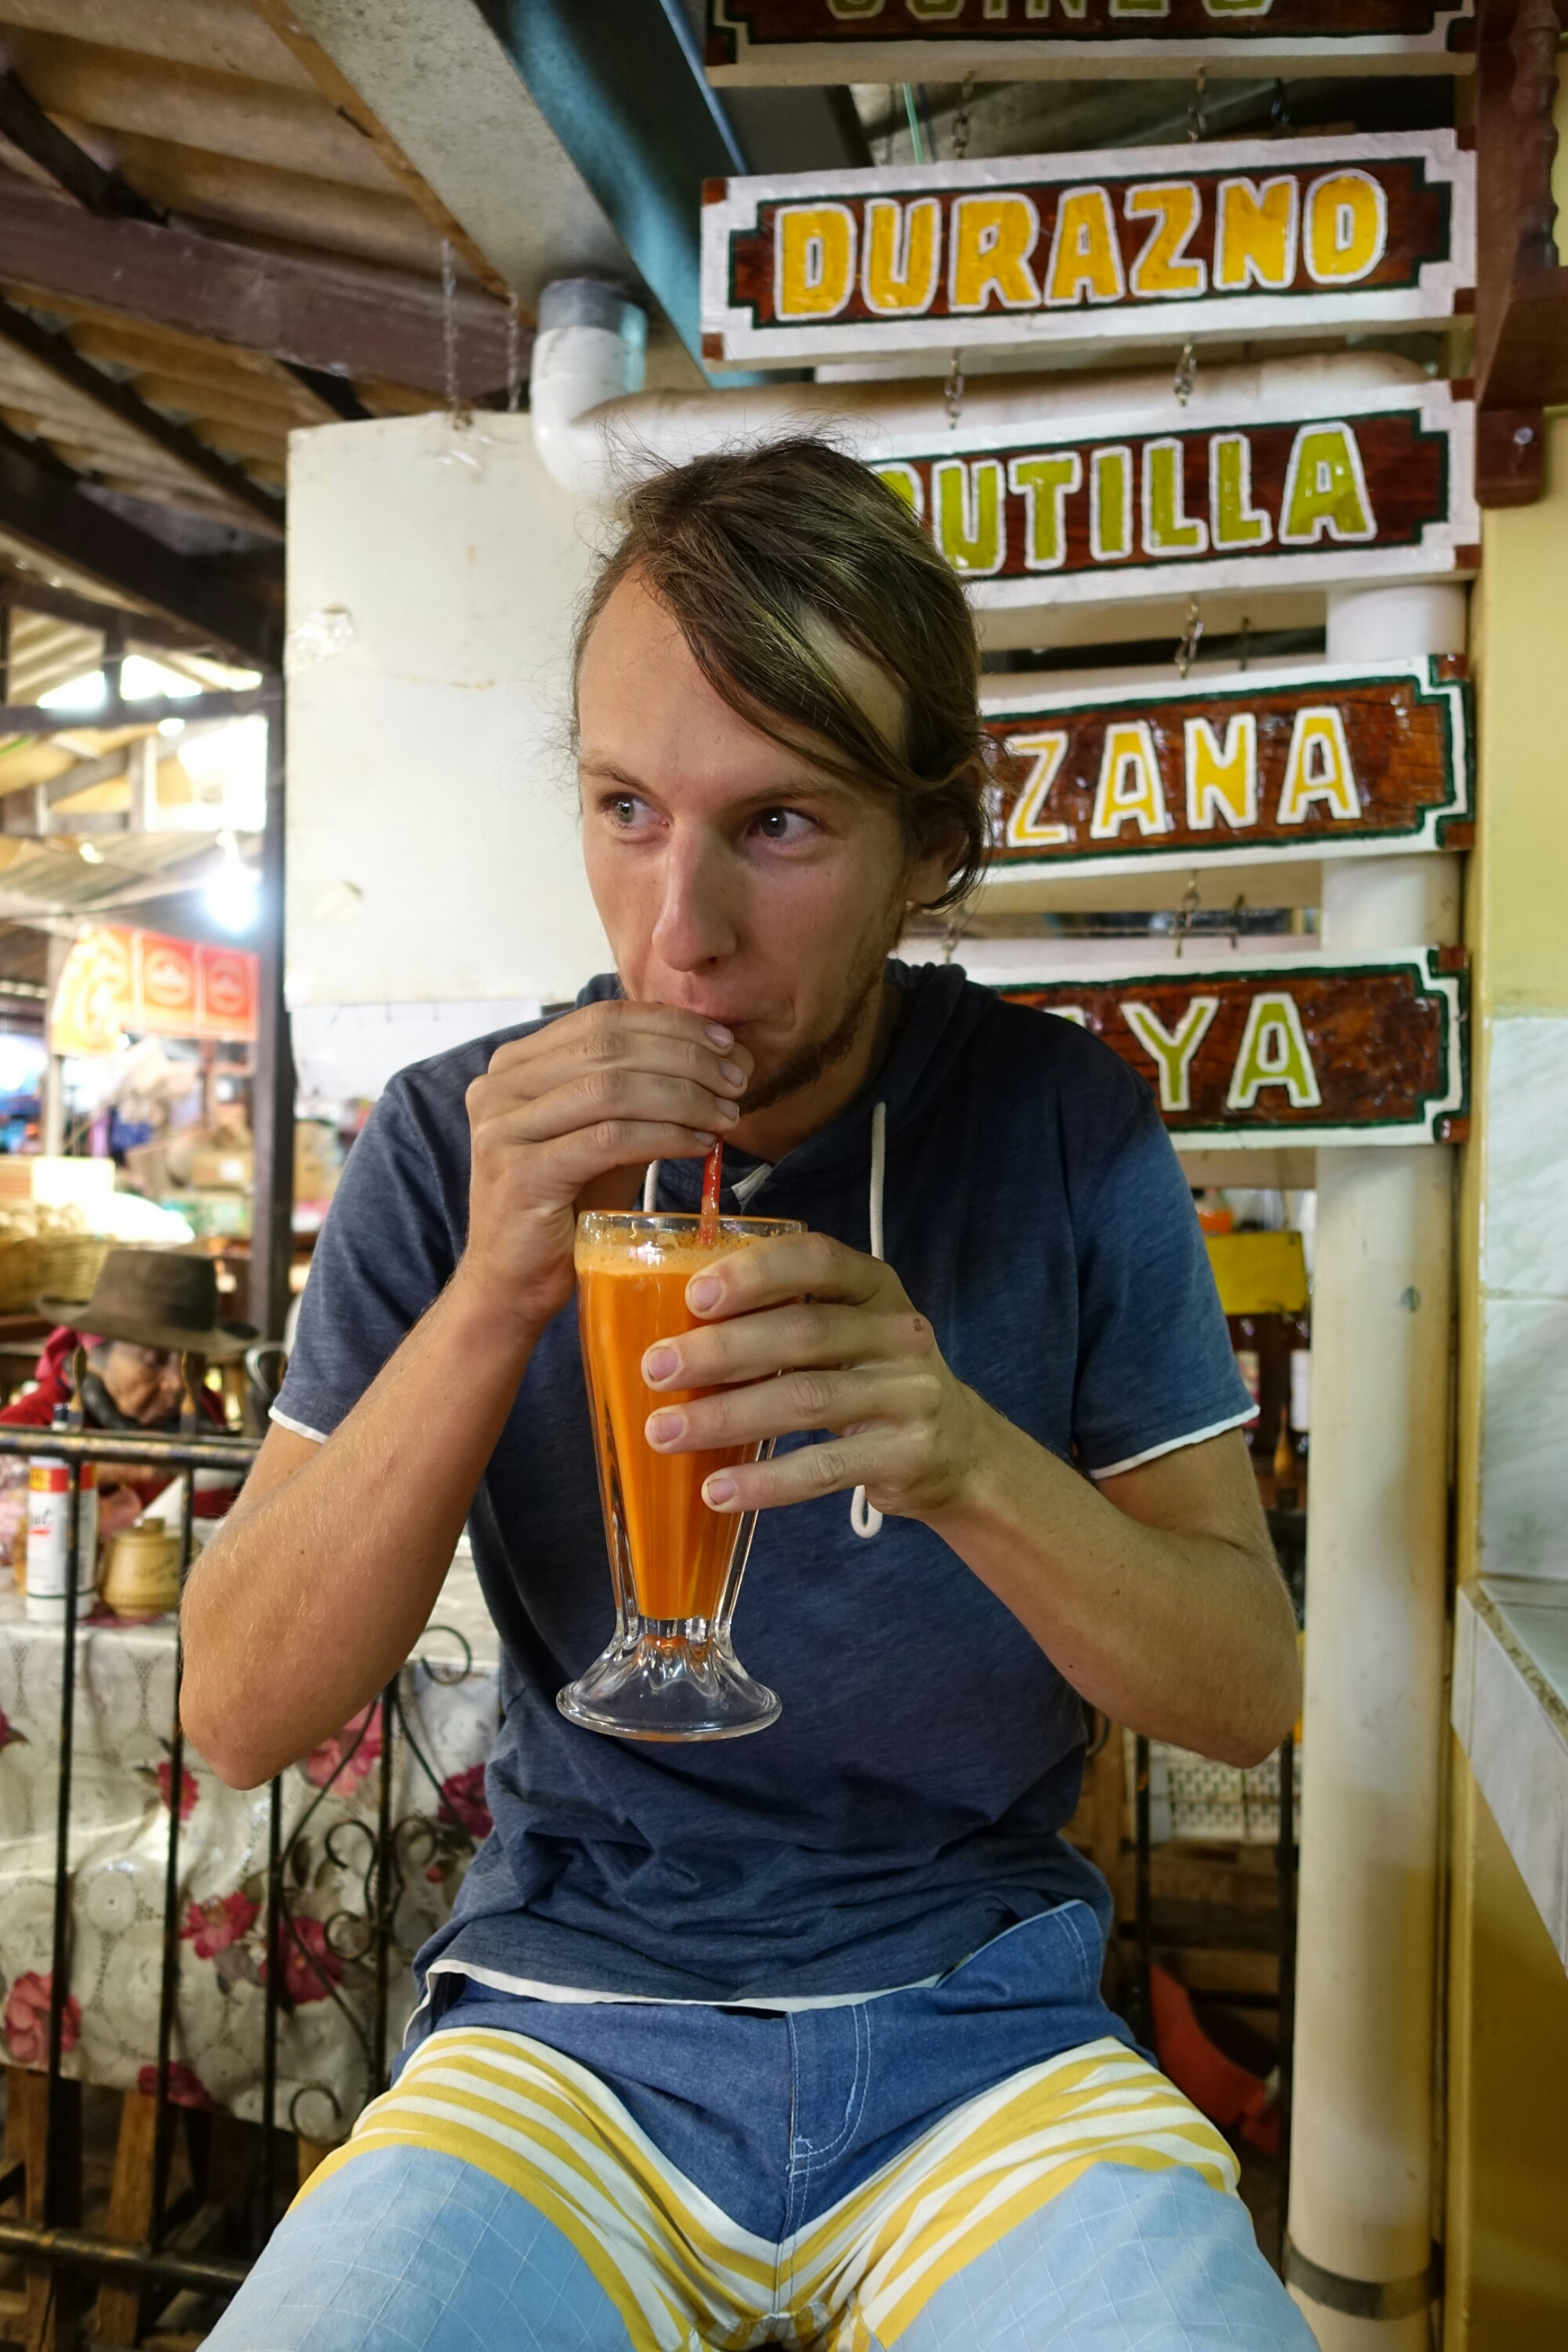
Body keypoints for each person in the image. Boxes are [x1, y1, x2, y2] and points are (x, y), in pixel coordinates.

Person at [184, 441, 1311, 2351]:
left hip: (984, 2031)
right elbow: (237, 1706)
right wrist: (498, 1282)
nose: (678, 930)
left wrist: (964, 1457)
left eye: (777, 823)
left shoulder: (1059, 1132)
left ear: (927, 851)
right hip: (566, 2029)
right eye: (625, 808)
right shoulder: (453, 1144)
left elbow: (1244, 1687)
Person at [0, 1249, 248, 1546]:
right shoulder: (29, 1427)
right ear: (94, 1356)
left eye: (193, 1364)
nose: (177, 1383)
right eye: (153, 1360)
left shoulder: (205, 1408)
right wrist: (120, 1469)